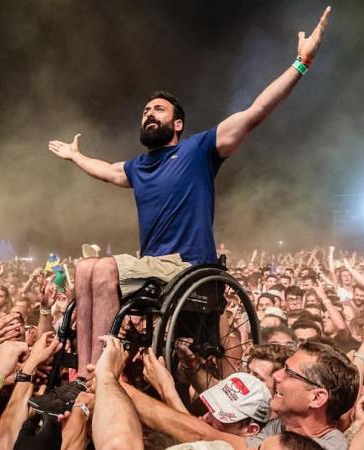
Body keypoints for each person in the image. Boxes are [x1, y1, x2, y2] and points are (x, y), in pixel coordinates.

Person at [37, 6, 333, 415]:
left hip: (187, 267)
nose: (148, 113)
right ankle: (85, 375)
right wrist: (75, 156)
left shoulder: (198, 150)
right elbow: (105, 170)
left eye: (157, 109)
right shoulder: (139, 167)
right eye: (145, 110)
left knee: (102, 268)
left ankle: (95, 378)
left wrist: (301, 63)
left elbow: (256, 111)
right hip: (153, 268)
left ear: (177, 124)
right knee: (85, 270)